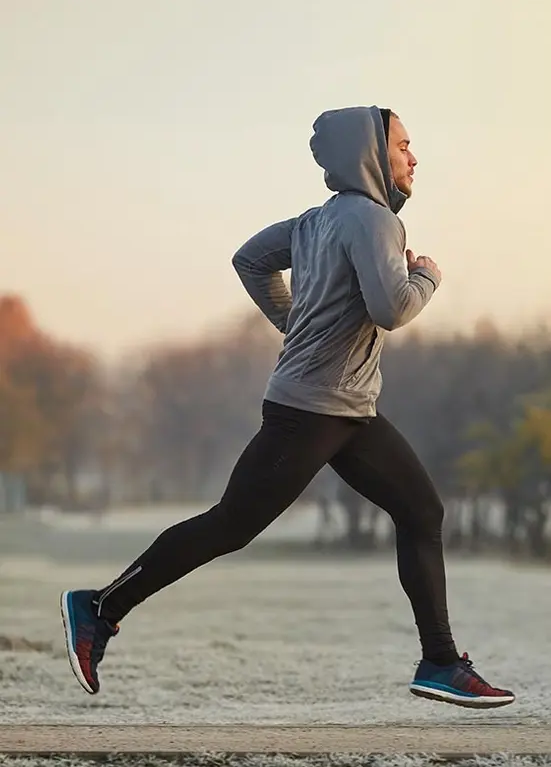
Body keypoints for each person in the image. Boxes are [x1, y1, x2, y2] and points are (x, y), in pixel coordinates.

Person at [60, 105, 515, 708]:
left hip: (348, 411)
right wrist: (427, 276)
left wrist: (292, 321)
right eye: (404, 145)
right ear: (372, 154)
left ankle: (439, 661)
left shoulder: (318, 221)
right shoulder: (376, 221)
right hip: (312, 411)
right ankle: (98, 608)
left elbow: (249, 259)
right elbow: (391, 308)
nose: (414, 157)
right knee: (231, 524)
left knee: (421, 511)